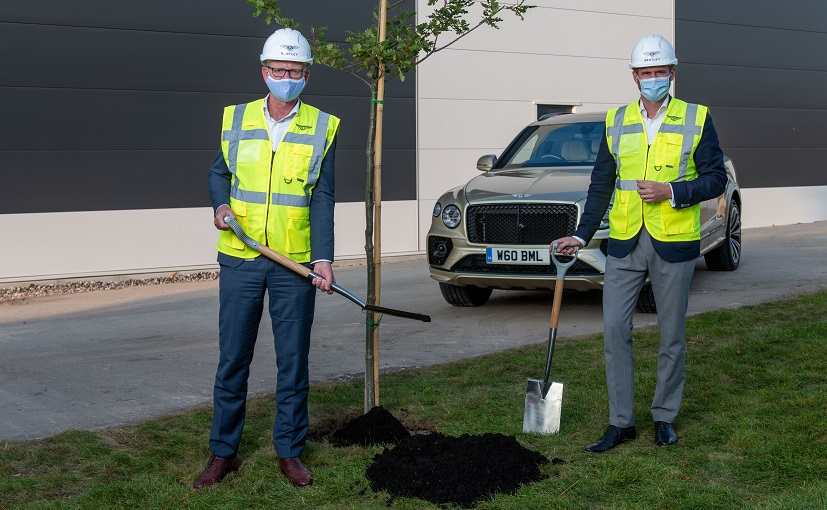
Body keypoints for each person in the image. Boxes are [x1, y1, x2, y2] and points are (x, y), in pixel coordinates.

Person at [552, 35, 727, 452]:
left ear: (672, 73)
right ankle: (621, 423)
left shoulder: (696, 117)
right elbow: (601, 185)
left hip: (674, 241)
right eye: (646, 73)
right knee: (614, 330)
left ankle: (664, 418)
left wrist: (671, 191)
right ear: (634, 76)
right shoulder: (616, 120)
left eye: (660, 72)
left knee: (671, 335)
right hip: (625, 241)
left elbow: (716, 178)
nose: (653, 79)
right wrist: (580, 233)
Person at [195, 27, 340, 488]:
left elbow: (323, 198)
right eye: (279, 70)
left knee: (293, 362)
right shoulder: (235, 119)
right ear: (265, 71)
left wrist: (323, 258)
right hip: (240, 258)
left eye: (294, 71)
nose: (286, 78)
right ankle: (223, 453)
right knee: (233, 358)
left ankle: (289, 453)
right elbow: (219, 174)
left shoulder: (323, 126)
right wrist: (220, 206)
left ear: (306, 76)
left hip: (292, 264)